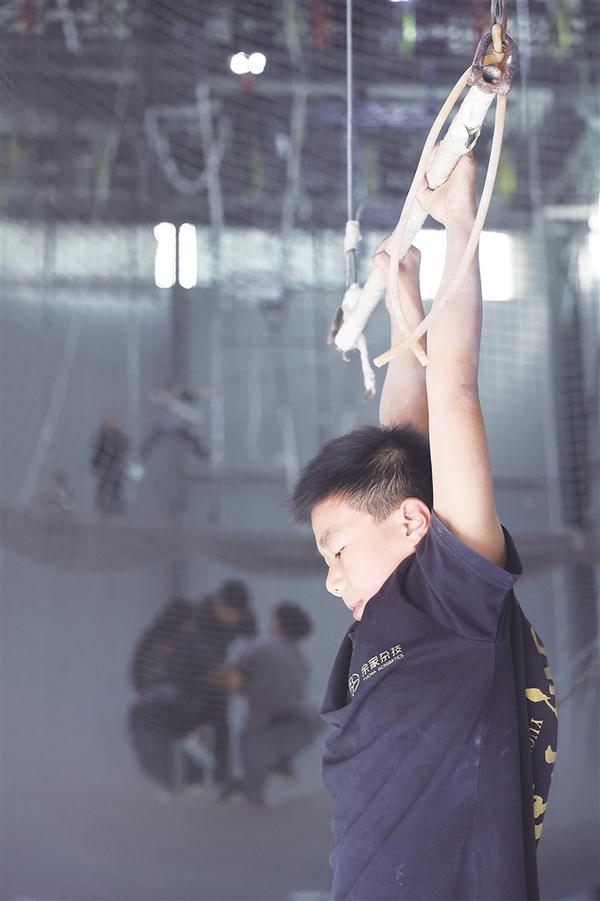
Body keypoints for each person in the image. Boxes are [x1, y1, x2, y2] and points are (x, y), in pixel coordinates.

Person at [291, 155, 557, 900]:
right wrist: (403, 288)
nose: (331, 578)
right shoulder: (415, 600)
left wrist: (461, 220)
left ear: (411, 522)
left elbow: (454, 391)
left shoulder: (453, 597)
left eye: (337, 549)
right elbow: (403, 434)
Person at [127, 582, 256, 792]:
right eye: (229, 612)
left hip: (177, 698)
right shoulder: (183, 637)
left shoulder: (215, 626)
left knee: (207, 722)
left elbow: (248, 630)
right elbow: (148, 674)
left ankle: (202, 782)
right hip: (164, 703)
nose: (233, 618)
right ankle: (189, 783)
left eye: (236, 614)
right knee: (196, 724)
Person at [217, 602, 322, 807]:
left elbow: (233, 682)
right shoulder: (300, 659)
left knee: (253, 792)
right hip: (297, 728)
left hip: (259, 729)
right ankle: (277, 764)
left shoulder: (260, 648)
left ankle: (252, 783)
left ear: (278, 622)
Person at [90, 411, 130, 514]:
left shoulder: (119, 436)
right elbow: (98, 451)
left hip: (115, 467)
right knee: (103, 487)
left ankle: (116, 508)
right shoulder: (103, 435)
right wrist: (94, 466)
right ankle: (103, 508)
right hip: (106, 467)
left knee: (116, 488)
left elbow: (125, 449)